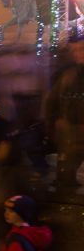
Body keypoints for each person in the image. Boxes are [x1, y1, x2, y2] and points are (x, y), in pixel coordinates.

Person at [43, 38, 84, 191]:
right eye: (77, 50)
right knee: (66, 176)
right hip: (71, 133)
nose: (79, 53)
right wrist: (53, 123)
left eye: (82, 49)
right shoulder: (68, 75)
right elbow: (52, 101)